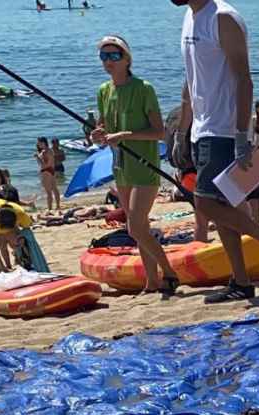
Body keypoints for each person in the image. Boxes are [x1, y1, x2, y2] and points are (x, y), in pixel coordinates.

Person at [176, 0, 259, 302]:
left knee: (204, 203)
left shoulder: (222, 17)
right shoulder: (189, 16)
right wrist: (182, 130)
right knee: (222, 209)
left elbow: (244, 78)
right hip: (201, 129)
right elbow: (192, 79)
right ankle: (241, 282)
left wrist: (241, 135)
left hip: (224, 129)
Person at [93, 35, 181, 295]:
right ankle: (152, 282)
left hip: (145, 165)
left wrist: (125, 136)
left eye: (114, 56)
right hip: (121, 167)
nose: (108, 61)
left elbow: (158, 132)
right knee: (140, 228)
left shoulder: (144, 88)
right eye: (104, 56)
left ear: (126, 59)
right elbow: (103, 127)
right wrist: (98, 135)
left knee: (135, 227)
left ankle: (170, 272)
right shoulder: (103, 91)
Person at [35, 137, 60, 212]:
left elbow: (46, 165)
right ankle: (57, 206)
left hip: (46, 171)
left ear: (43, 143)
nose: (38, 144)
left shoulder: (46, 152)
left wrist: (37, 158)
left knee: (48, 192)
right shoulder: (48, 150)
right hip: (51, 170)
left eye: (39, 143)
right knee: (54, 189)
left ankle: (50, 208)